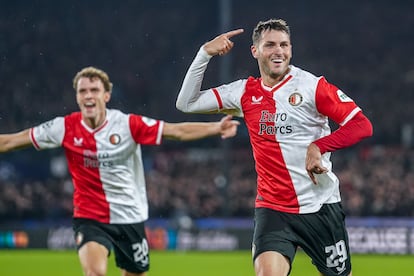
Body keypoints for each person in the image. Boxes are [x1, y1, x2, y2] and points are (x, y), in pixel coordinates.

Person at [176, 18, 373, 276]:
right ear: (255, 51)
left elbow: (362, 125)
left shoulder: (312, 87)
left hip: (320, 206)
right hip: (273, 209)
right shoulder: (244, 93)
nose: (278, 51)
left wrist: (318, 146)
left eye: (284, 45)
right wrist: (204, 54)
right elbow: (186, 103)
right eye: (270, 45)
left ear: (291, 49)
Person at [0, 66, 239, 276]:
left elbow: (176, 132)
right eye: (83, 91)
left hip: (130, 216)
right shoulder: (64, 127)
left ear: (106, 95)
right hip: (90, 216)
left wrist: (215, 128)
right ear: (77, 97)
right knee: (95, 272)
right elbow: (12, 141)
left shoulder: (127, 124)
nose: (88, 96)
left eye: (94, 90)